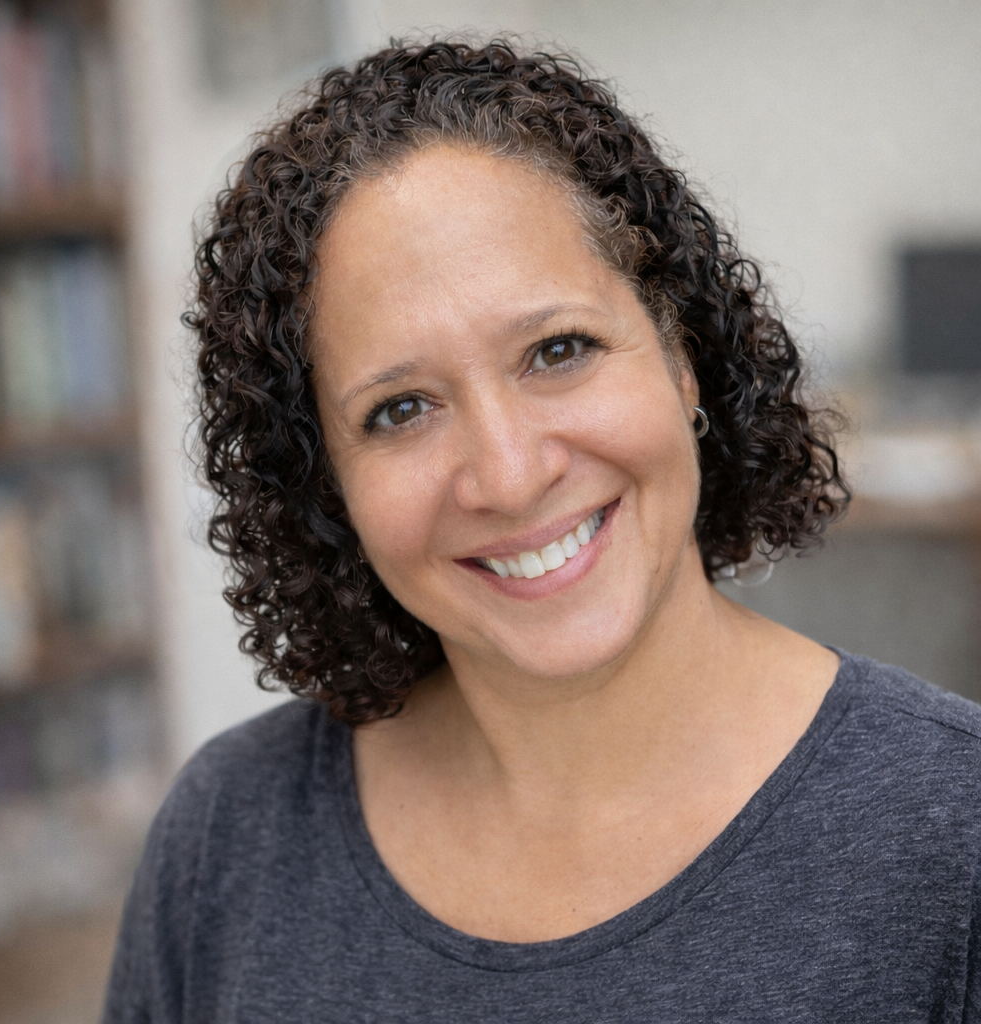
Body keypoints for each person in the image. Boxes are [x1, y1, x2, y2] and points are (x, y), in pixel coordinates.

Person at [103, 40, 981, 1022]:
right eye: (399, 409)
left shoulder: (953, 836)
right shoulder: (227, 834)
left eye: (557, 350)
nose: (511, 474)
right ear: (326, 487)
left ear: (679, 355)